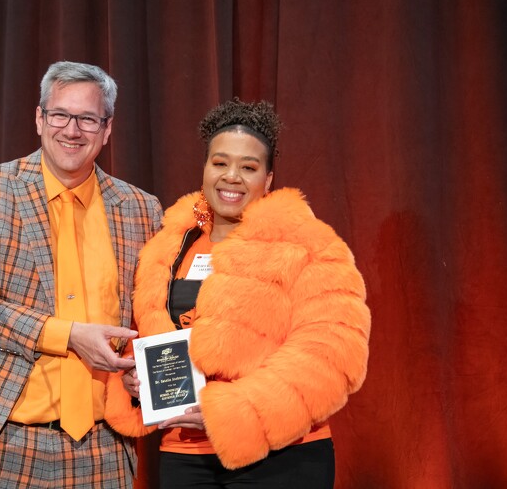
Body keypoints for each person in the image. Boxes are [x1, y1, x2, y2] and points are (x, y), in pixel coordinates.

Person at [105, 99, 371, 488]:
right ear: (205, 169)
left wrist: (228, 414)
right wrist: (134, 379)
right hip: (184, 452)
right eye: (220, 162)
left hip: (282, 454)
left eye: (248, 167)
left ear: (268, 180)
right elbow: (149, 333)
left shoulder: (308, 245)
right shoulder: (169, 246)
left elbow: (331, 355)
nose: (232, 177)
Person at [0, 61, 163, 488]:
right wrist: (67, 335)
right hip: (1, 440)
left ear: (107, 129)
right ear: (40, 119)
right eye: (60, 115)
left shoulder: (141, 209)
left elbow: (150, 318)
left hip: (104, 446)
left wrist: (140, 372)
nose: (72, 130)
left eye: (88, 119)